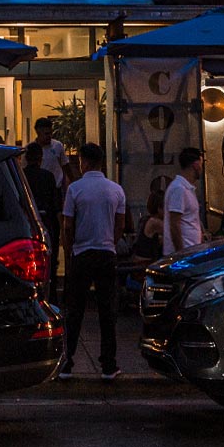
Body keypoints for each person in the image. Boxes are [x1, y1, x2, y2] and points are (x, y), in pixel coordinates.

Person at [58, 141, 128, 381]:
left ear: (83, 162)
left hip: (81, 253)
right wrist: (110, 240)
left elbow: (67, 225)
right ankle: (108, 365)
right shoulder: (116, 190)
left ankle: (67, 362)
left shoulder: (75, 190)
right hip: (107, 253)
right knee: (107, 312)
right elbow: (120, 225)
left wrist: (70, 252)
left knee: (74, 311)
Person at [163, 147, 205, 255]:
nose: (202, 168)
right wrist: (181, 253)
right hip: (185, 253)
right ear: (195, 165)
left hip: (192, 250)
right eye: (201, 164)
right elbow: (174, 223)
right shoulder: (179, 189)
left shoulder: (188, 189)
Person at [21, 142, 62, 248]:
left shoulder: (21, 176)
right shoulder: (48, 176)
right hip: (47, 219)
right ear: (41, 157)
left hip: (27, 221)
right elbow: (55, 204)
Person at [32, 117, 69, 189]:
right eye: (46, 134)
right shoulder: (30, 149)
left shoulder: (57, 146)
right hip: (38, 188)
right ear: (38, 132)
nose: (49, 136)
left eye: (50, 133)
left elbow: (65, 165)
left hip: (56, 187)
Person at [132, 189, 165, 263]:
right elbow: (172, 231)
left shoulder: (145, 219)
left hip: (139, 262)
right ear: (159, 208)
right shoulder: (154, 222)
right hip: (144, 263)